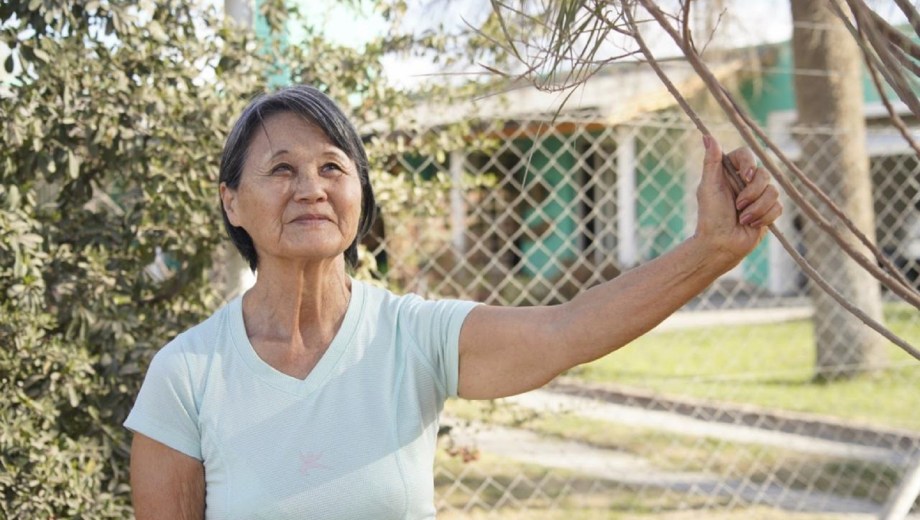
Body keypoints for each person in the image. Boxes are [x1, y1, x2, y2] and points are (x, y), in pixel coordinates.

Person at [125, 85, 782, 519]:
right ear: (231, 201)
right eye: (281, 169)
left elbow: (568, 330)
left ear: (359, 194)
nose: (311, 188)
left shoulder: (412, 336)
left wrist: (710, 253)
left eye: (332, 167)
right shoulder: (187, 375)